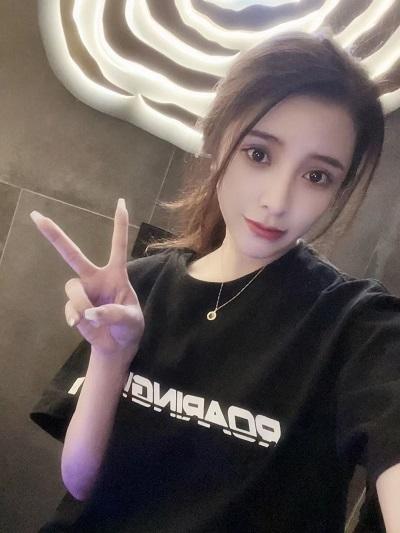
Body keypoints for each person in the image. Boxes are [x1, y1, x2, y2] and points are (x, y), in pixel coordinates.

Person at [29, 31, 400, 532]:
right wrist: (111, 356)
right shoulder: (137, 289)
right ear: (217, 138)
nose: (277, 201)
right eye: (259, 154)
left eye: (317, 176)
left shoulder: (358, 326)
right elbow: (79, 483)